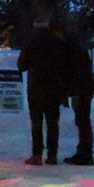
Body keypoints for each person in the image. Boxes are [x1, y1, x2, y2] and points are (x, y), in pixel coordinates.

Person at [17, 16, 68, 166]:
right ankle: (52, 155)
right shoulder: (57, 42)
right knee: (53, 122)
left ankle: (37, 154)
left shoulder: (30, 43)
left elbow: (21, 65)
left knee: (37, 122)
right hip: (54, 88)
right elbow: (64, 65)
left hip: (36, 88)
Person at [63, 36, 94, 166]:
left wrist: (75, 93)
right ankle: (85, 151)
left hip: (82, 90)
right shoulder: (80, 51)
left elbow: (77, 74)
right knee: (83, 120)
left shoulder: (74, 53)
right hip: (86, 89)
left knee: (82, 121)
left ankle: (85, 153)